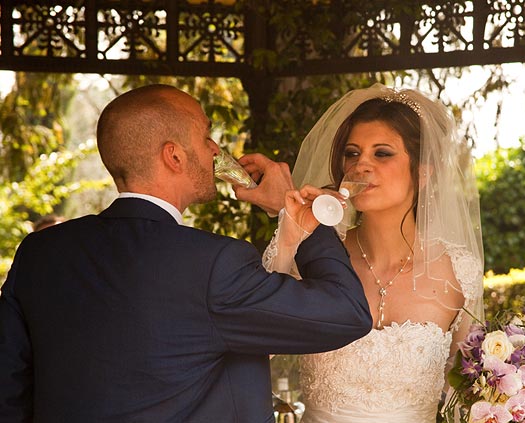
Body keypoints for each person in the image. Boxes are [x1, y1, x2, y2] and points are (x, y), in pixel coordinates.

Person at [0, 84, 372, 422]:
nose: (215, 149)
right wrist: (302, 216)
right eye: (206, 135)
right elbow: (347, 312)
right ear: (174, 157)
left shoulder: (39, 253)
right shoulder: (213, 266)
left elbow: (8, 391)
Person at [263, 83, 485, 423]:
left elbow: (470, 389)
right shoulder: (311, 255)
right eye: (352, 154)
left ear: (424, 172)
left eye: (382, 153)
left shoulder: (459, 271)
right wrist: (290, 238)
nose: (361, 166)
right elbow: (261, 340)